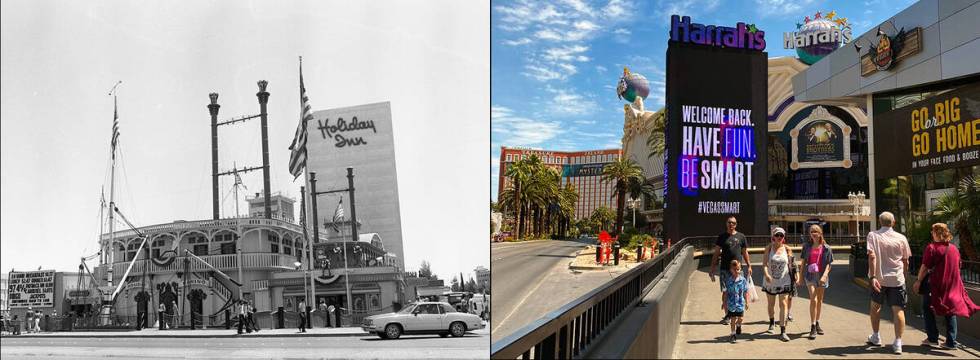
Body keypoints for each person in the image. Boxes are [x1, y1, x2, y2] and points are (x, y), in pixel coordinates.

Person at [913, 223, 980, 350]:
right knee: (950, 311)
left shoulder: (932, 248)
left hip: (935, 284)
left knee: (927, 308)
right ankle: (951, 342)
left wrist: (918, 280)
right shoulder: (954, 248)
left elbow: (925, 267)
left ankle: (932, 338)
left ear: (936, 233)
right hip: (951, 284)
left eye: (932, 231)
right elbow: (958, 266)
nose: (931, 234)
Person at [865, 211, 911, 355]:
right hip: (897, 279)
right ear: (893, 222)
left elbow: (872, 256)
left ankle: (876, 335)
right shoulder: (901, 238)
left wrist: (872, 276)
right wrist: (903, 276)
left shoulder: (873, 235)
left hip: (879, 278)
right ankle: (898, 342)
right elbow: (905, 260)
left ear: (880, 222)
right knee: (898, 310)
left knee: (875, 306)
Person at [709, 216, 751, 325]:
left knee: (739, 291)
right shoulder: (722, 237)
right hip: (724, 269)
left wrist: (749, 265)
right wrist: (712, 268)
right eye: (729, 222)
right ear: (726, 224)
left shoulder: (741, 237)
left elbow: (745, 252)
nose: (731, 224)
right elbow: (717, 253)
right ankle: (727, 315)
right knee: (726, 292)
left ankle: (738, 312)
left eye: (733, 223)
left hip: (737, 270)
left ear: (736, 224)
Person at [762, 227, 796, 341]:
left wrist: (796, 275)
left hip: (784, 281)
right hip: (770, 281)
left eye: (781, 236)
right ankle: (772, 322)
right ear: (773, 237)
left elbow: (792, 264)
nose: (779, 238)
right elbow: (765, 264)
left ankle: (783, 331)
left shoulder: (787, 249)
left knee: (784, 304)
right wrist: (766, 274)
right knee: (771, 304)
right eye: (777, 235)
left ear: (784, 237)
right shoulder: (768, 248)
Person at [800, 224, 833, 340]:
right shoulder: (807, 246)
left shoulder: (826, 248)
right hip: (810, 276)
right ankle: (813, 326)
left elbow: (829, 264)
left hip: (822, 276)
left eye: (816, 231)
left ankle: (817, 322)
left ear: (820, 233)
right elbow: (803, 262)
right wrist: (800, 277)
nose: (814, 233)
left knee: (819, 300)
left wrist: (824, 276)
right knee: (813, 299)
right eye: (812, 231)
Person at [723, 260, 750, 343]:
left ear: (740, 269)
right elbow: (725, 293)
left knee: (741, 318)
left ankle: (739, 325)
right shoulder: (728, 281)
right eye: (734, 269)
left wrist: (747, 302)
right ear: (731, 270)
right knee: (733, 319)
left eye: (738, 269)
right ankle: (733, 334)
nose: (736, 271)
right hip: (731, 304)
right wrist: (724, 303)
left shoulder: (743, 280)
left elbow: (745, 292)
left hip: (740, 303)